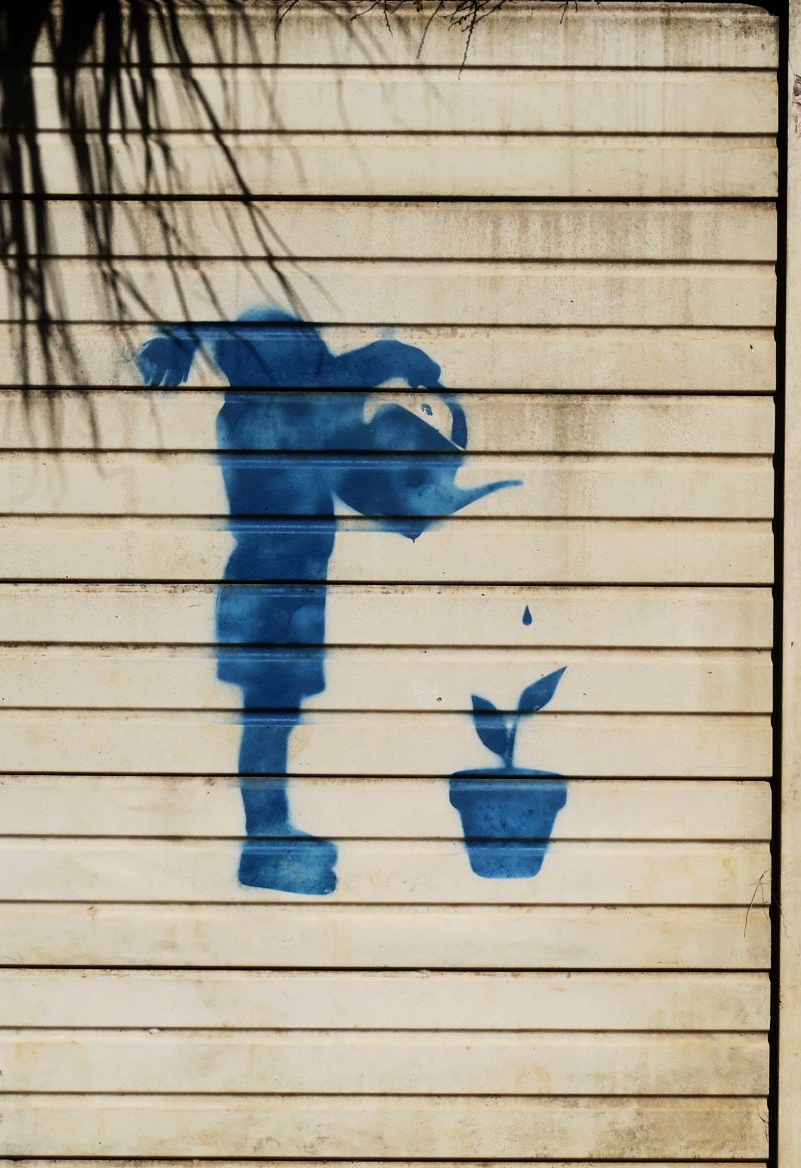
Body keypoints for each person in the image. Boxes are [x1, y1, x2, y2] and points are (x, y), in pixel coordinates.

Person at [137, 308, 517, 894]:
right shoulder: (270, 413)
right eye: (301, 349)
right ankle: (265, 838)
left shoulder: (278, 413)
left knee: (274, 719)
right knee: (268, 720)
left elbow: (347, 456)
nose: (316, 357)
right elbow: (359, 374)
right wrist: (403, 362)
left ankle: (268, 833)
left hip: (283, 591)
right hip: (269, 593)